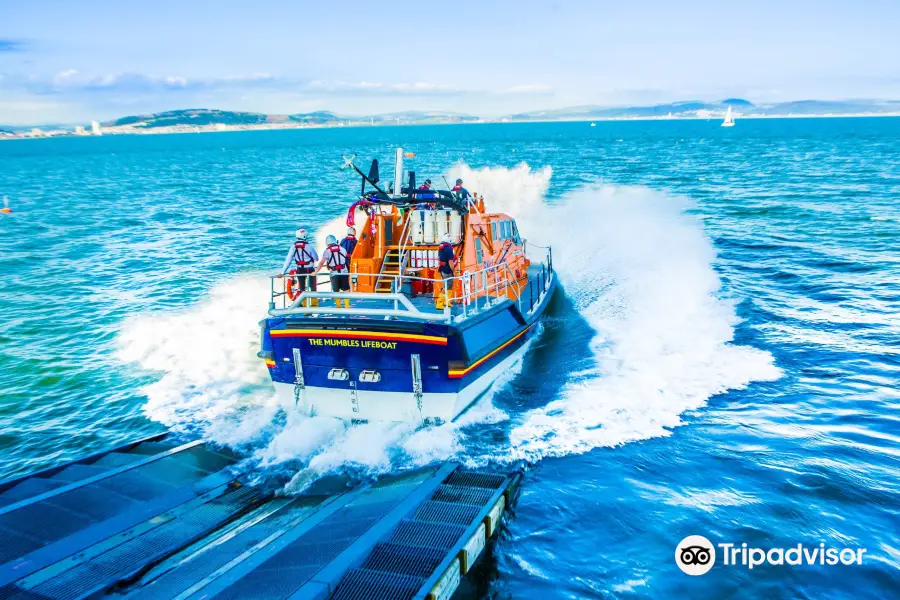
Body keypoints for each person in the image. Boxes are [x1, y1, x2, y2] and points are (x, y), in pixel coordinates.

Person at [280, 228, 318, 306]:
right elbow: (316, 258)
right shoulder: (309, 246)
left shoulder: (293, 247)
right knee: (313, 288)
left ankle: (304, 307)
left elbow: (288, 260)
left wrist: (282, 272)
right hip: (310, 269)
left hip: (300, 270)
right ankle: (314, 305)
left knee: (302, 289)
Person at [315, 234, 351, 308]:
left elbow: (321, 263)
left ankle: (339, 307)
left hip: (334, 274)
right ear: (335, 241)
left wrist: (316, 272)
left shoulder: (327, 251)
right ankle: (347, 307)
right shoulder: (342, 249)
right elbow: (345, 260)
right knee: (346, 290)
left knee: (336, 291)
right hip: (344, 272)